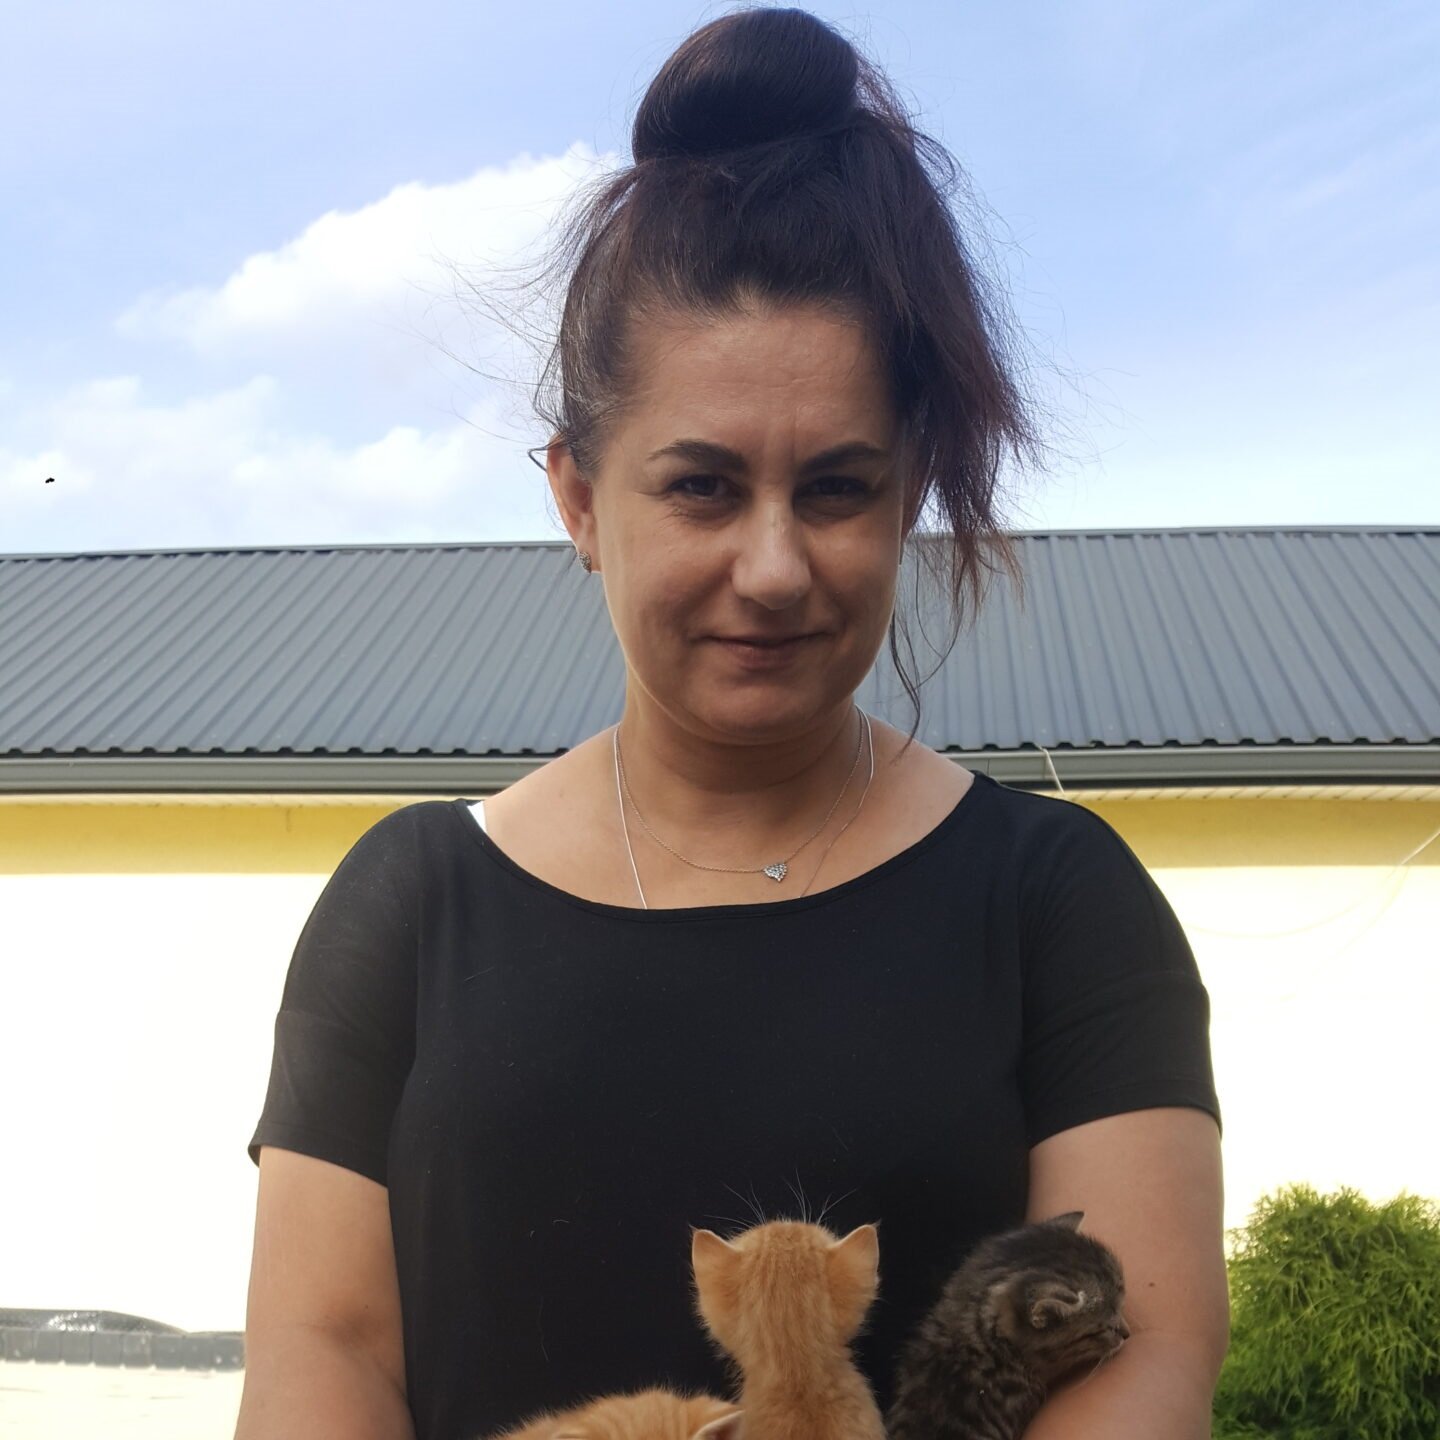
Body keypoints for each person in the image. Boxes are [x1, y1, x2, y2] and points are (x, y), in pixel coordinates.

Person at [235, 10, 1227, 1440]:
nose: (773, 567)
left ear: (906, 494)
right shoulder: (409, 909)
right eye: (701, 487)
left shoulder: (1061, 905)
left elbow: (1142, 1359)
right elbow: (321, 1356)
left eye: (836, 489)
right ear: (580, 498)